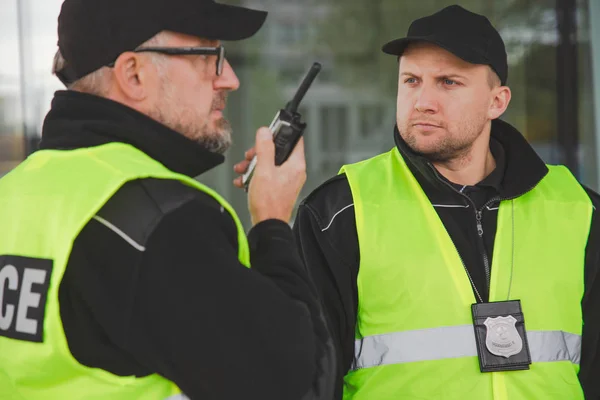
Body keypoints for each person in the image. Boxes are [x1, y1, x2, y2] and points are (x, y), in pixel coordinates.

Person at [0, 0, 335, 399]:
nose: (229, 79)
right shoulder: (159, 220)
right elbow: (304, 384)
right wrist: (273, 222)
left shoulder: (14, 194)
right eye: (211, 55)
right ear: (134, 74)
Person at [293, 5, 600, 400]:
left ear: (497, 101)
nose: (423, 101)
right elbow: (309, 380)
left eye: (448, 82)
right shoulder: (340, 212)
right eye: (411, 81)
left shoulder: (579, 211)